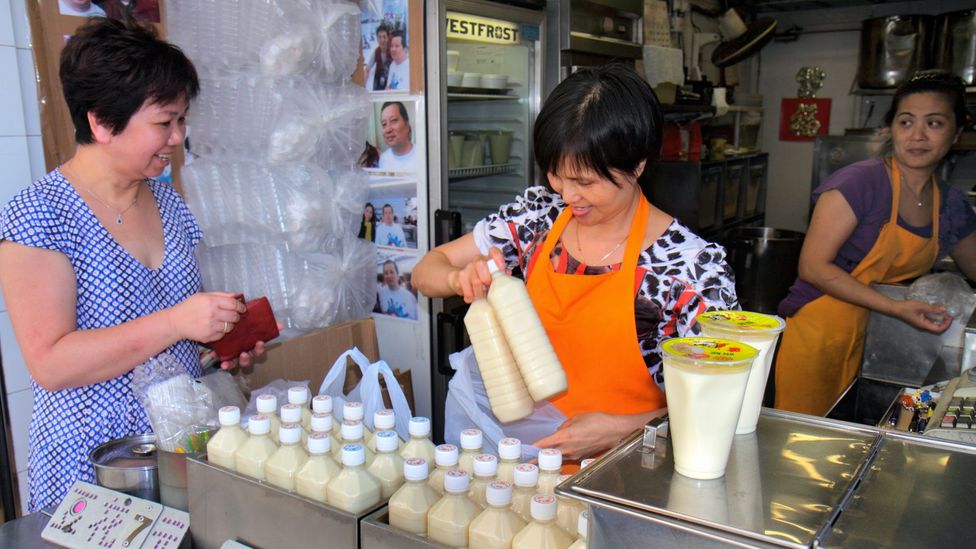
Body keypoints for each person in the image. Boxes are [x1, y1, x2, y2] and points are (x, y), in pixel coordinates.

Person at [0, 18, 270, 512]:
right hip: (93, 462)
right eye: (164, 123)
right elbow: (51, 363)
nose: (176, 138)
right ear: (102, 122)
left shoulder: (168, 204)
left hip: (177, 444)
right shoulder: (41, 212)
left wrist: (215, 343)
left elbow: (168, 333)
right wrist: (176, 322)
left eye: (182, 121)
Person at [412, 64, 737, 459]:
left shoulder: (690, 269)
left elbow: (724, 406)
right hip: (528, 468)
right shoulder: (536, 219)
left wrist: (622, 431)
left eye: (585, 182)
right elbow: (426, 270)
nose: (568, 195)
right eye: (556, 174)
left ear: (637, 166)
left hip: (629, 477)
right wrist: (459, 277)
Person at [775, 70, 976, 416]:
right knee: (804, 440)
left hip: (878, 336)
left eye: (935, 123)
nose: (918, 135)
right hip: (821, 331)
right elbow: (813, 266)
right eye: (906, 122)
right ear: (892, 128)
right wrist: (897, 308)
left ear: (957, 133)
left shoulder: (950, 205)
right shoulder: (860, 183)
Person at [377, 102, 417, 172]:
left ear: (407, 125)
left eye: (393, 121)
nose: (388, 129)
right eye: (384, 124)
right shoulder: (384, 159)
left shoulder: (422, 155)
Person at [366, 22, 392, 91]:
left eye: (384, 37)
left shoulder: (393, 51)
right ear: (377, 39)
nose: (382, 40)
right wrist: (362, 85)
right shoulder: (376, 52)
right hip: (380, 82)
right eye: (379, 37)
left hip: (391, 81)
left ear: (388, 38)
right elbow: (367, 69)